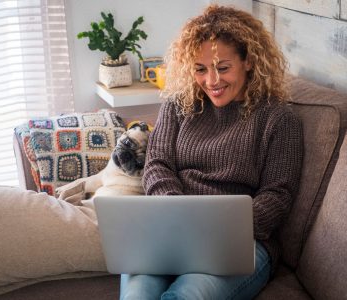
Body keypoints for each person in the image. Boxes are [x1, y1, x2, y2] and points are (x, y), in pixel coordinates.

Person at [120, 4, 304, 300]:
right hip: (171, 230)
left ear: (248, 61)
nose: (212, 81)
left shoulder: (278, 119)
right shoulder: (179, 104)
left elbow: (277, 196)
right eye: (200, 69)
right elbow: (157, 163)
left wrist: (219, 230)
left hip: (241, 242)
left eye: (223, 68)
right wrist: (178, 214)